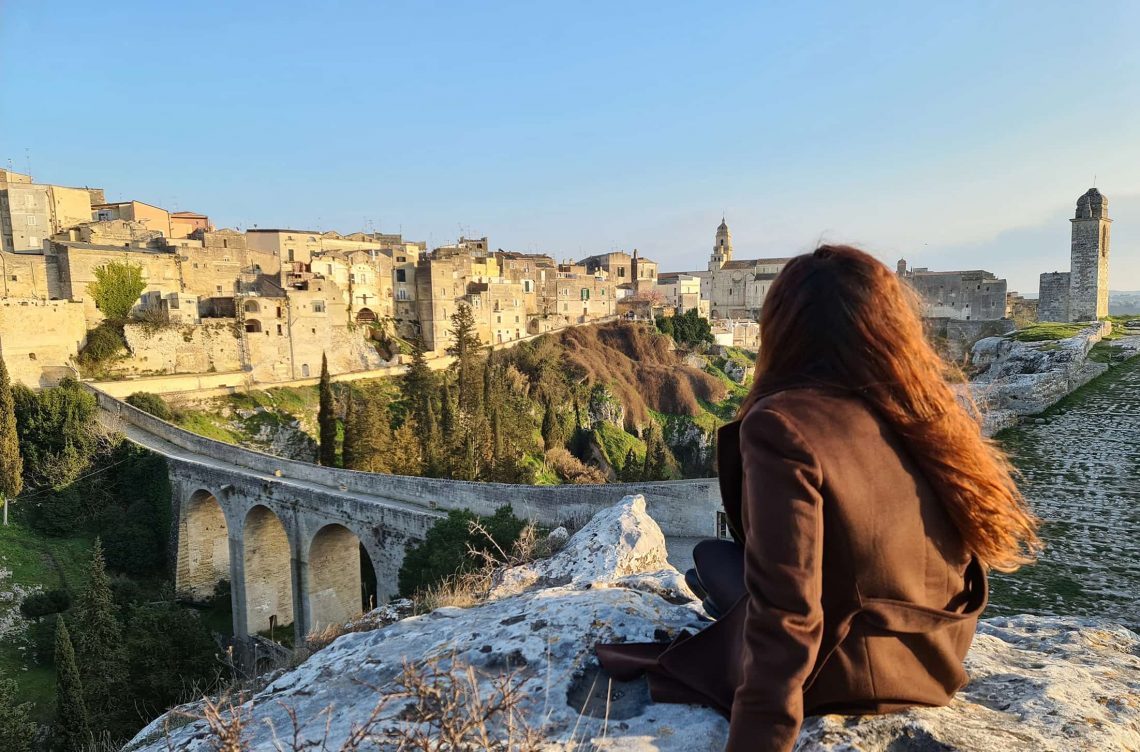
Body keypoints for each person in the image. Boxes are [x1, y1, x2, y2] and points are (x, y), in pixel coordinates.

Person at [596, 245, 1039, 752]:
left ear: (784, 329)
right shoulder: (922, 412)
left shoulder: (783, 426)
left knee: (712, 563)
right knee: (711, 558)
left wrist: (758, 738)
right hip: (936, 655)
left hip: (850, 671)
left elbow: (787, 616)